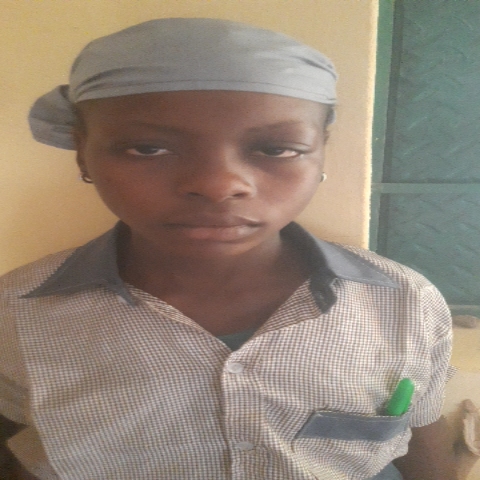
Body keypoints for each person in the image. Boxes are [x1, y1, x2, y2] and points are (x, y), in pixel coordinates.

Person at [0, 18, 457, 480]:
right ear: (82, 153)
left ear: (321, 150)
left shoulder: (403, 300)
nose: (218, 185)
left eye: (276, 150)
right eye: (147, 148)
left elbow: (422, 438)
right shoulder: (16, 312)